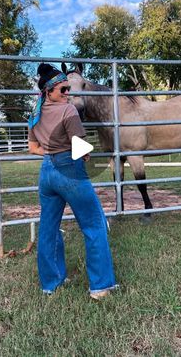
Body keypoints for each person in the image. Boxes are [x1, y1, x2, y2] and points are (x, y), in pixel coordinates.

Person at [28, 63, 118, 299]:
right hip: (70, 171)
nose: (68, 94)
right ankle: (100, 286)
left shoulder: (35, 114)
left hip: (46, 173)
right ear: (49, 91)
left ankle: (51, 283)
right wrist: (84, 150)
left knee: (48, 228)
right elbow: (81, 150)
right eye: (63, 90)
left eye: (69, 89)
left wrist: (52, 150)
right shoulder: (68, 111)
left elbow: (33, 148)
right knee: (94, 224)